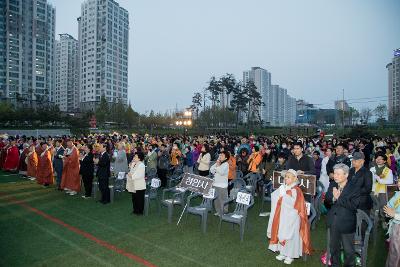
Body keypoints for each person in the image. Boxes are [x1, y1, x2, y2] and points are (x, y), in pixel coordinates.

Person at [267, 169, 312, 265]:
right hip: (282, 216)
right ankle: (283, 252)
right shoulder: (284, 187)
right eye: (285, 177)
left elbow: (295, 204)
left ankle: (290, 255)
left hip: (292, 218)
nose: (286, 179)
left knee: (291, 236)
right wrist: (280, 194)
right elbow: (275, 196)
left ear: (295, 178)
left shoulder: (296, 190)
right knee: (281, 232)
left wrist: (284, 196)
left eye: (288, 177)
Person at [325, 164, 360, 267]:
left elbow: (354, 205)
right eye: (334, 173)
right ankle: (335, 264)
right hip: (334, 221)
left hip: (346, 222)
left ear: (346, 175)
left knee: (348, 250)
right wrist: (333, 199)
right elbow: (327, 199)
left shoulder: (354, 187)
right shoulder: (333, 184)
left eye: (338, 174)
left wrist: (339, 198)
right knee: (334, 248)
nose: (335, 176)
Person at [370, 152, 394, 222]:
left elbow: (390, 181)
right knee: (374, 205)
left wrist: (379, 180)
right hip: (373, 190)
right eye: (377, 158)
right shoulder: (372, 169)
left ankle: (383, 220)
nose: (378, 160)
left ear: (385, 161)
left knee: (383, 206)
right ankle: (373, 220)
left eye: (381, 159)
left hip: (383, 191)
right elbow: (370, 180)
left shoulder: (388, 171)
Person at [383, 178, 400, 267]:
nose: (399, 183)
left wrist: (394, 214)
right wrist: (388, 213)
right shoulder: (398, 195)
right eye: (399, 181)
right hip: (396, 228)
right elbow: (388, 207)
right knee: (394, 253)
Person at [210, 151, 230, 216]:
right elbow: (211, 170)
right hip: (215, 184)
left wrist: (217, 166)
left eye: (222, 156)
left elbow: (221, 172)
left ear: (226, 158)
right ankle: (218, 211)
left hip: (222, 185)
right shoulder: (218, 163)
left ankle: (224, 212)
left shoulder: (226, 164)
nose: (220, 156)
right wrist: (216, 164)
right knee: (216, 199)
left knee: (223, 199)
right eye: (220, 155)